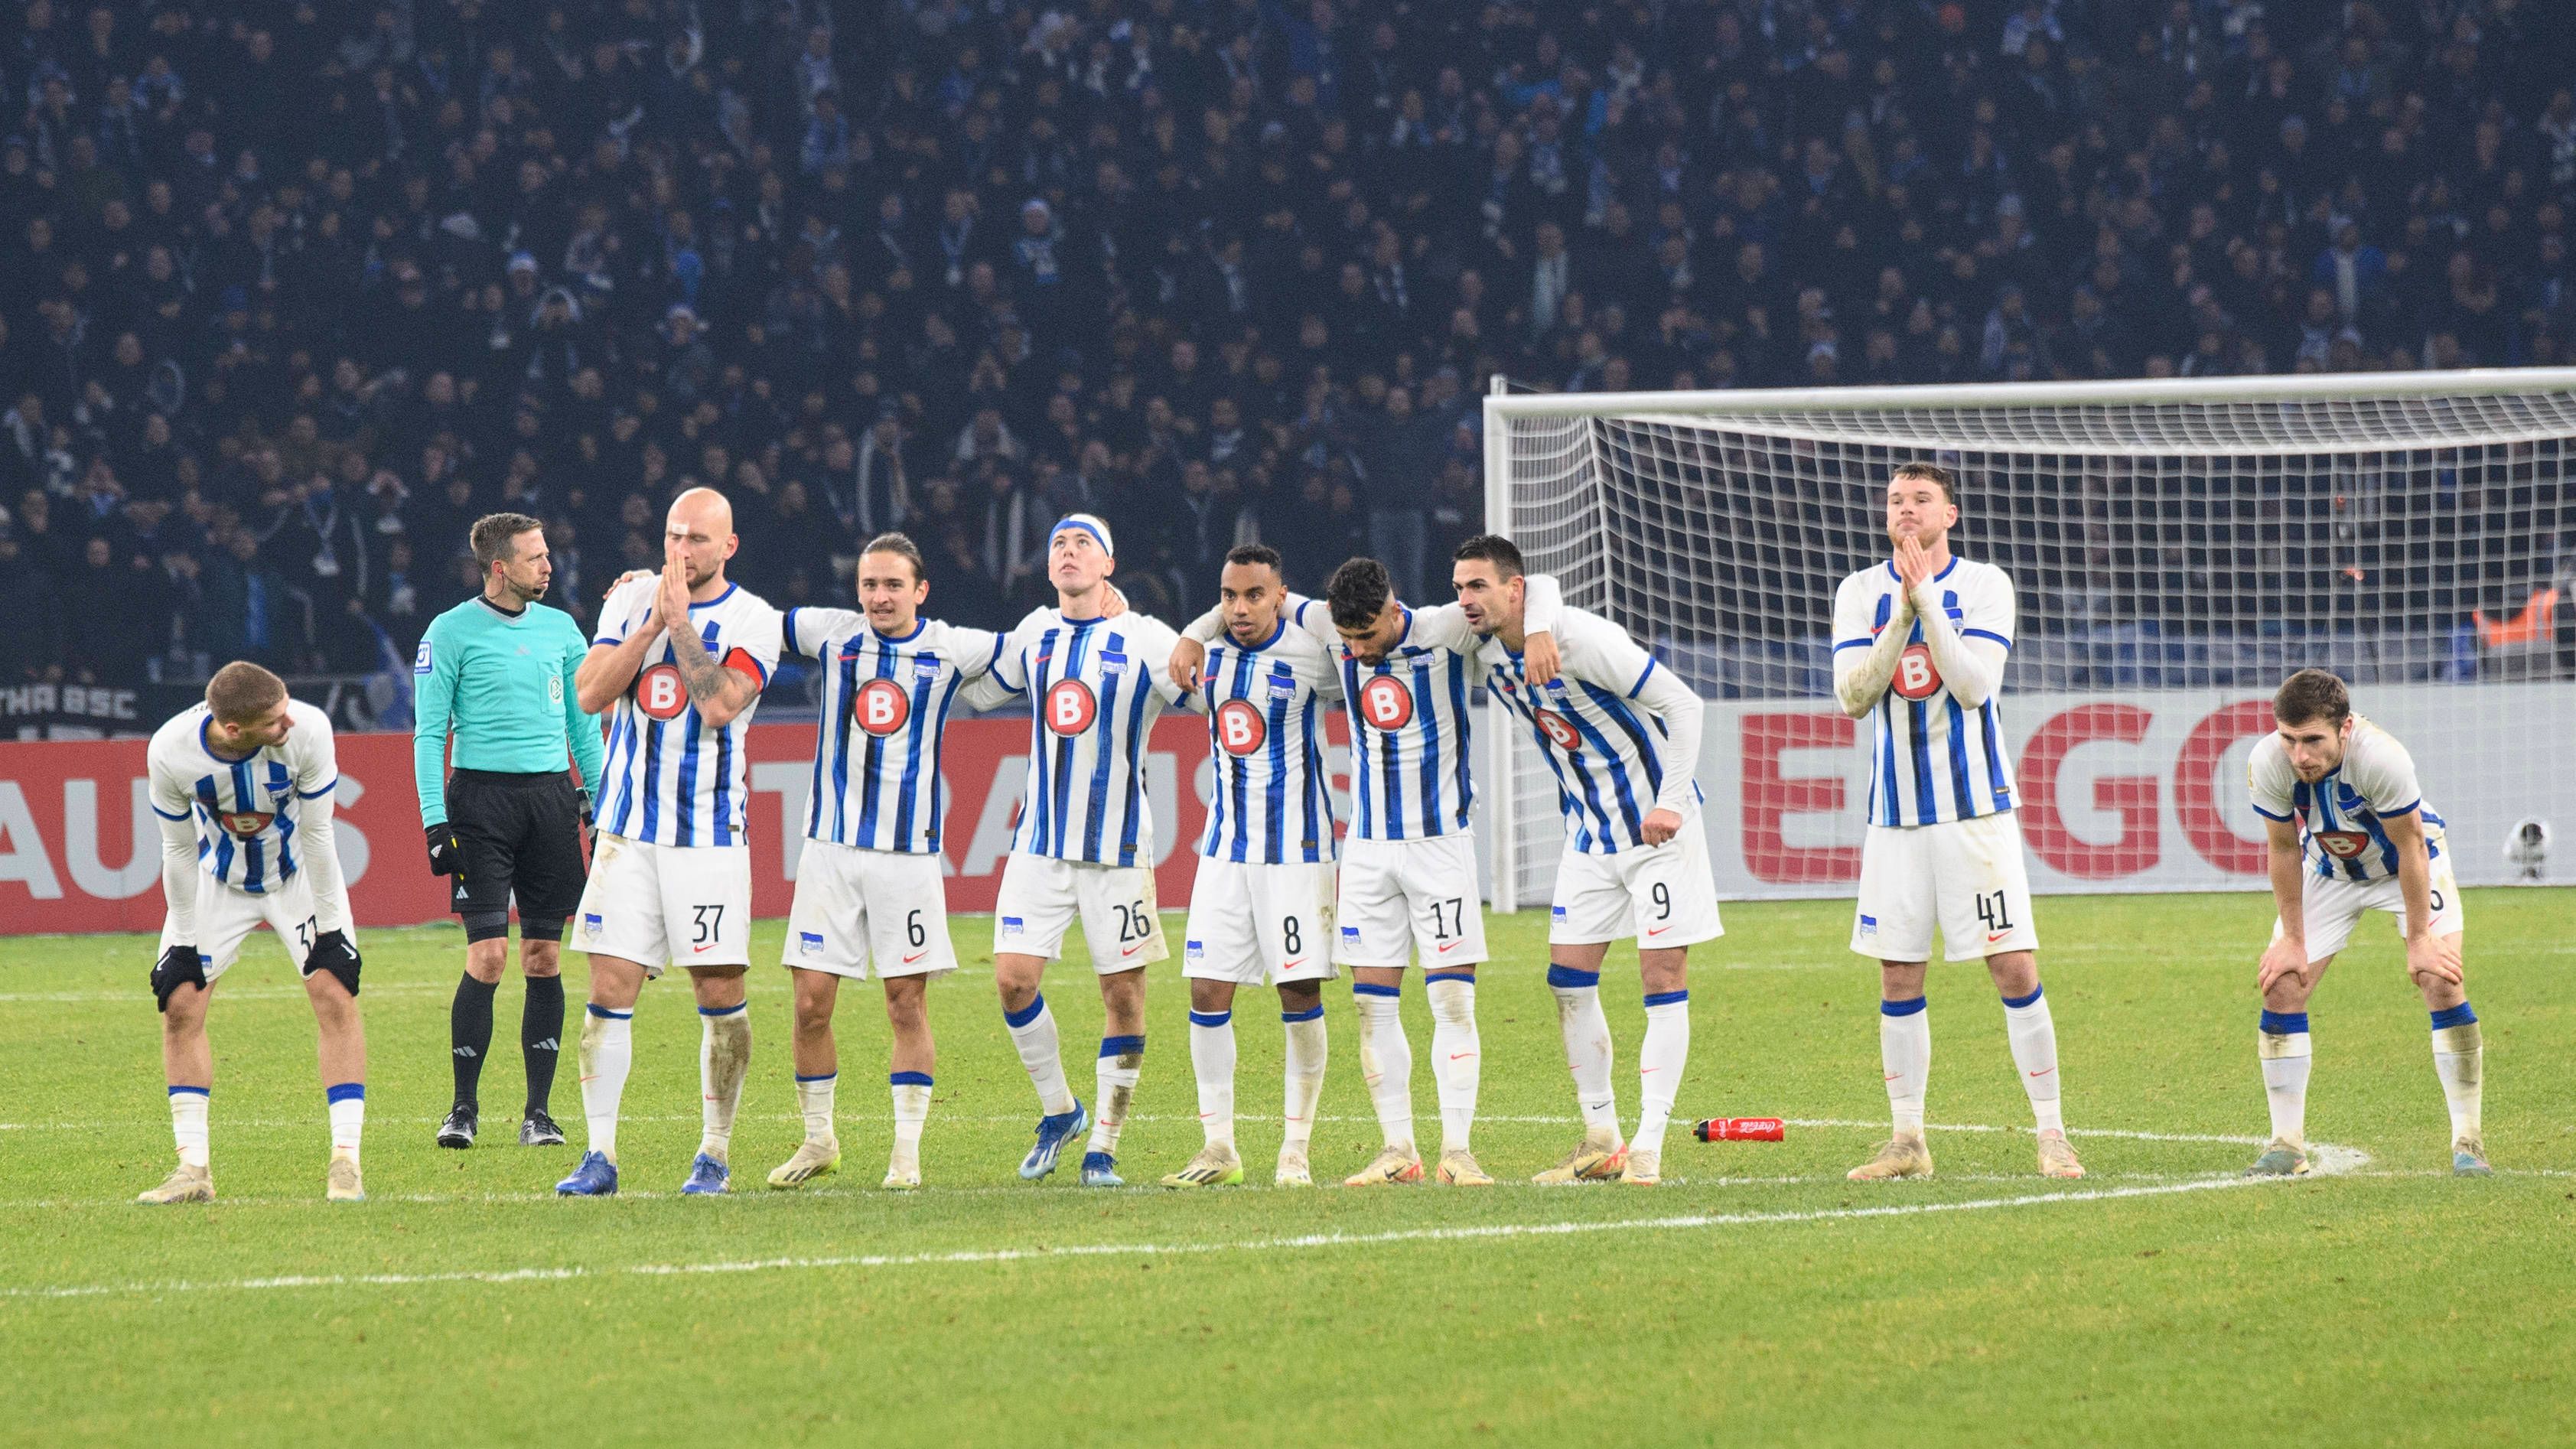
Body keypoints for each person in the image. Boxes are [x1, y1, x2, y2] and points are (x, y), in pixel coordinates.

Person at [1173, 557, 1563, 1187]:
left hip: (1440, 845)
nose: (1354, 650)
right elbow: (1248, 601)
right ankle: (1397, 1150)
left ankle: (1458, 1151)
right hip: (1367, 851)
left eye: (1367, 637)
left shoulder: (1445, 630)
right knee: (1371, 1006)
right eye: (1346, 639)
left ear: (1393, 607)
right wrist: (1193, 633)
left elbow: (1534, 588)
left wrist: (1540, 629)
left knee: (1451, 1001)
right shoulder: (1328, 627)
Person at [1830, 461, 2081, 1182]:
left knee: (2012, 965)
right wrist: (1901, 616)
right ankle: (1906, 1141)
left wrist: (1927, 605)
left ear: (1951, 515)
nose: (1904, 511)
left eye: (1920, 500)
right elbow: (1852, 697)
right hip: (1895, 817)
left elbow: (1975, 688)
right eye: (1894, 502)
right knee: (1898, 974)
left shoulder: (1985, 585)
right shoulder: (1857, 592)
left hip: (1975, 813)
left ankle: (2051, 1132)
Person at [1453, 536, 1718, 1187]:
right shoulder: (1484, 645)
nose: (1465, 599)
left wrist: (1672, 804)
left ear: (1512, 590)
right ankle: (1600, 1138)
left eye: (1478, 586)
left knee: (1660, 975)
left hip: (1657, 830)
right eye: (1459, 587)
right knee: (1566, 980)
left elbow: (1686, 706)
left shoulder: (1581, 639)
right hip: (1589, 834)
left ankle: (1648, 1147)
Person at [555, 488, 783, 1197]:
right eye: (672, 536)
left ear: (728, 547)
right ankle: (600, 1156)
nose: (681, 551)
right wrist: (651, 619)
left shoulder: (755, 619)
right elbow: (589, 695)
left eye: (697, 540)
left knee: (719, 993)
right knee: (607, 990)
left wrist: (680, 626)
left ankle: (713, 1153)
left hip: (707, 838)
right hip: (627, 833)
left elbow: (718, 705)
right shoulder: (631, 601)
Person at [767, 532, 1008, 1192]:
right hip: (829, 851)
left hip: (907, 855)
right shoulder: (831, 634)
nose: (879, 596)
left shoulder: (951, 646)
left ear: (920, 591)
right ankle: (819, 1140)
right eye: (870, 584)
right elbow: (746, 618)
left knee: (905, 1003)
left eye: (893, 584)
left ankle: (906, 1153)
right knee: (811, 1003)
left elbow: (1034, 652)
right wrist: (654, 589)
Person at [972, 514, 1189, 1187]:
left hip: (1118, 848)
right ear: (1047, 568)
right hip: (1039, 844)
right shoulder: (1033, 633)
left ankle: (1104, 1146)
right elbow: (975, 682)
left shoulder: (1145, 636)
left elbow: (1198, 679)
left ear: (1108, 565)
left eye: (1083, 543)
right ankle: (1060, 1110)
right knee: (1012, 981)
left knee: (1121, 996)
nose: (1068, 552)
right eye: (1058, 544)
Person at [139, 662, 366, 1204]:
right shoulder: (171, 749)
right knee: (181, 1004)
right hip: (219, 880)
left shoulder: (309, 729)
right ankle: (193, 1170)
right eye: (274, 719)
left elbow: (317, 834)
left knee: (333, 995)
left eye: (286, 706)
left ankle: (345, 1162)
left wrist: (331, 931)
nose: (288, 721)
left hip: (297, 876)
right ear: (235, 730)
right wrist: (187, 942)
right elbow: (176, 850)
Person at [2245, 669, 2486, 1177]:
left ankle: (2468, 1142)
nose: (2299, 755)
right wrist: (2291, 939)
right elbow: (2283, 847)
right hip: (2329, 871)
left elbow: (2411, 845)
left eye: (2312, 740)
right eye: (2288, 739)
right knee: (2282, 985)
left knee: (2440, 980)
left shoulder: (2381, 758)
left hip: (2405, 866)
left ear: (2344, 728)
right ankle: (2285, 1145)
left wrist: (2419, 939)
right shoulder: (2268, 761)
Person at [415, 512, 603, 1151]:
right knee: (489, 957)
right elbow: (428, 732)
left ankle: (539, 1114)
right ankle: (463, 1108)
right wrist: (434, 822)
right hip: (479, 804)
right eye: (535, 557)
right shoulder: (449, 632)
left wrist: (597, 807)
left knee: (543, 957)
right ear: (500, 568)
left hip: (550, 801)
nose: (548, 565)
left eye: (547, 554)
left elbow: (584, 728)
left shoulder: (562, 630)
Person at [1158, 544, 1343, 1189]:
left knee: (1299, 994)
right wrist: (1192, 633)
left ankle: (1295, 1147)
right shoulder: (1206, 660)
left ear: (1280, 595)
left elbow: (1356, 643)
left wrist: (1194, 628)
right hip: (1224, 854)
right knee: (1207, 991)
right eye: (1229, 596)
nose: (1240, 609)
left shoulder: (1313, 658)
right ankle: (1219, 1147)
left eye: (1254, 596)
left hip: (1296, 853)